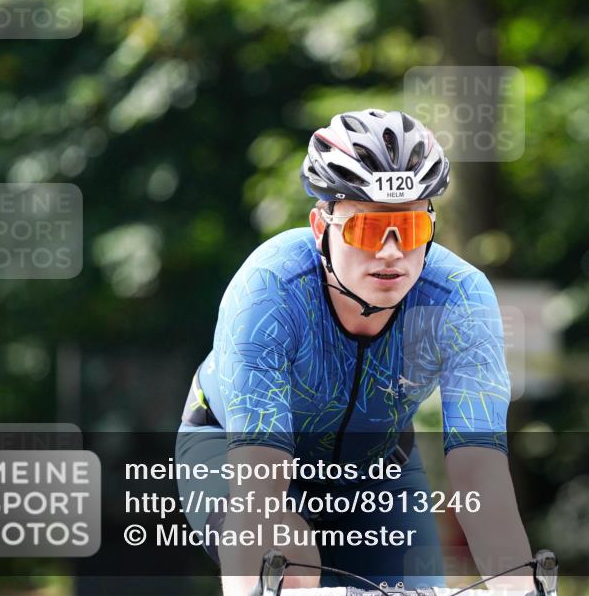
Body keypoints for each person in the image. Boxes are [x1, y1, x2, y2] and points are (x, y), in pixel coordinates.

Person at [177, 109, 533, 595]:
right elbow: (259, 486)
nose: (390, 253)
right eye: (367, 230)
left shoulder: (459, 300)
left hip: (377, 466)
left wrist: (518, 583)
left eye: (408, 230)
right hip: (238, 451)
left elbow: (479, 472)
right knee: (292, 565)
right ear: (321, 227)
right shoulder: (269, 290)